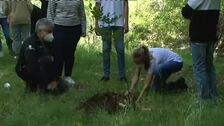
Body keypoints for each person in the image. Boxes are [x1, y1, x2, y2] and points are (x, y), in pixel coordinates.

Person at [182, 0, 221, 99]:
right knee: (209, 66)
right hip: (211, 35)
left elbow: (185, 12)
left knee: (199, 68)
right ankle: (213, 95)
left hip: (199, 35)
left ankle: (203, 99)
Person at [15, 18, 62, 92]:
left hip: (41, 66)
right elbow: (30, 63)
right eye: (49, 31)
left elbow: (55, 59)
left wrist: (55, 79)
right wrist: (44, 82)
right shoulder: (30, 42)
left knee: (61, 87)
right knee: (42, 61)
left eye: (52, 31)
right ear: (39, 31)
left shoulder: (48, 42)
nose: (51, 34)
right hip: (26, 68)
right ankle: (33, 83)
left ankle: (44, 84)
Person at [47, 0, 87, 86]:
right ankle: (57, 77)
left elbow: (82, 14)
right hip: (59, 27)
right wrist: (49, 30)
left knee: (70, 52)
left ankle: (68, 76)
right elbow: (50, 14)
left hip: (75, 28)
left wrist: (83, 29)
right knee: (58, 53)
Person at [95, 0, 129, 82]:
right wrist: (96, 24)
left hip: (119, 22)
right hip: (104, 22)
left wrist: (126, 22)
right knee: (106, 49)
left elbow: (125, 4)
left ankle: (122, 76)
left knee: (120, 49)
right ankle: (106, 75)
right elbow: (97, 5)